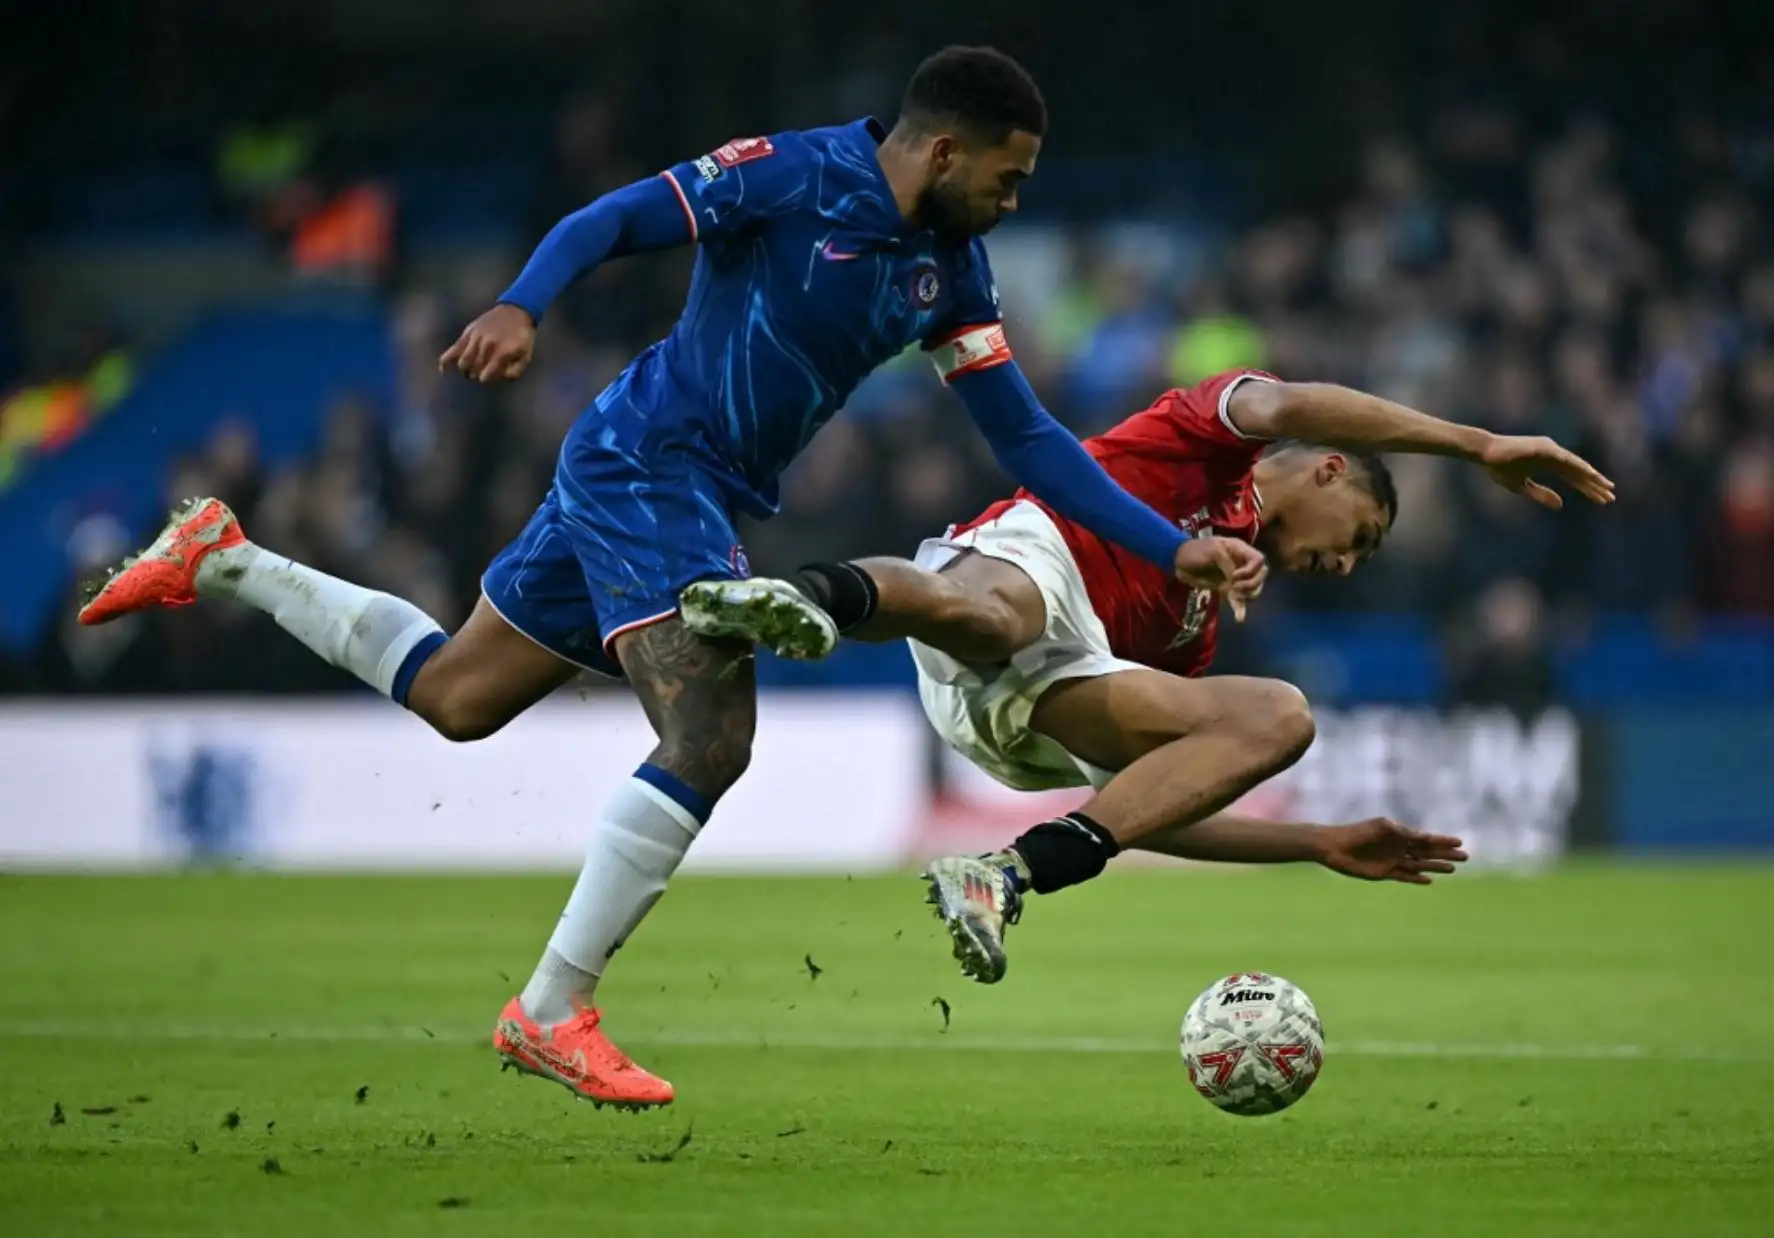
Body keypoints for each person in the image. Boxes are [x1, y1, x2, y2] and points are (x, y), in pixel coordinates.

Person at [76, 48, 1254, 1109]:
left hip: (687, 483)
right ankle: (548, 1010)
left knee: (457, 696)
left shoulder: (953, 268)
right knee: (712, 732)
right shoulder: (791, 177)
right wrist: (521, 304)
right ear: (943, 148)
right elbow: (613, 219)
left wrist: (1169, 544)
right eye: (1008, 174)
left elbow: (1034, 442)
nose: (1014, 197)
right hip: (649, 459)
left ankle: (225, 556)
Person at [682, 369, 1615, 983]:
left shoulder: (1201, 629)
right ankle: (794, 600)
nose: (1344, 565)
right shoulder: (1215, 434)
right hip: (1028, 559)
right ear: (1330, 473)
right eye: (1358, 539)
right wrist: (1477, 444)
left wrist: (1317, 842)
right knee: (1003, 612)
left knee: (1278, 718)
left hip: (1040, 706)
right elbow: (1290, 403)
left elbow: (1154, 804)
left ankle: (1007, 876)